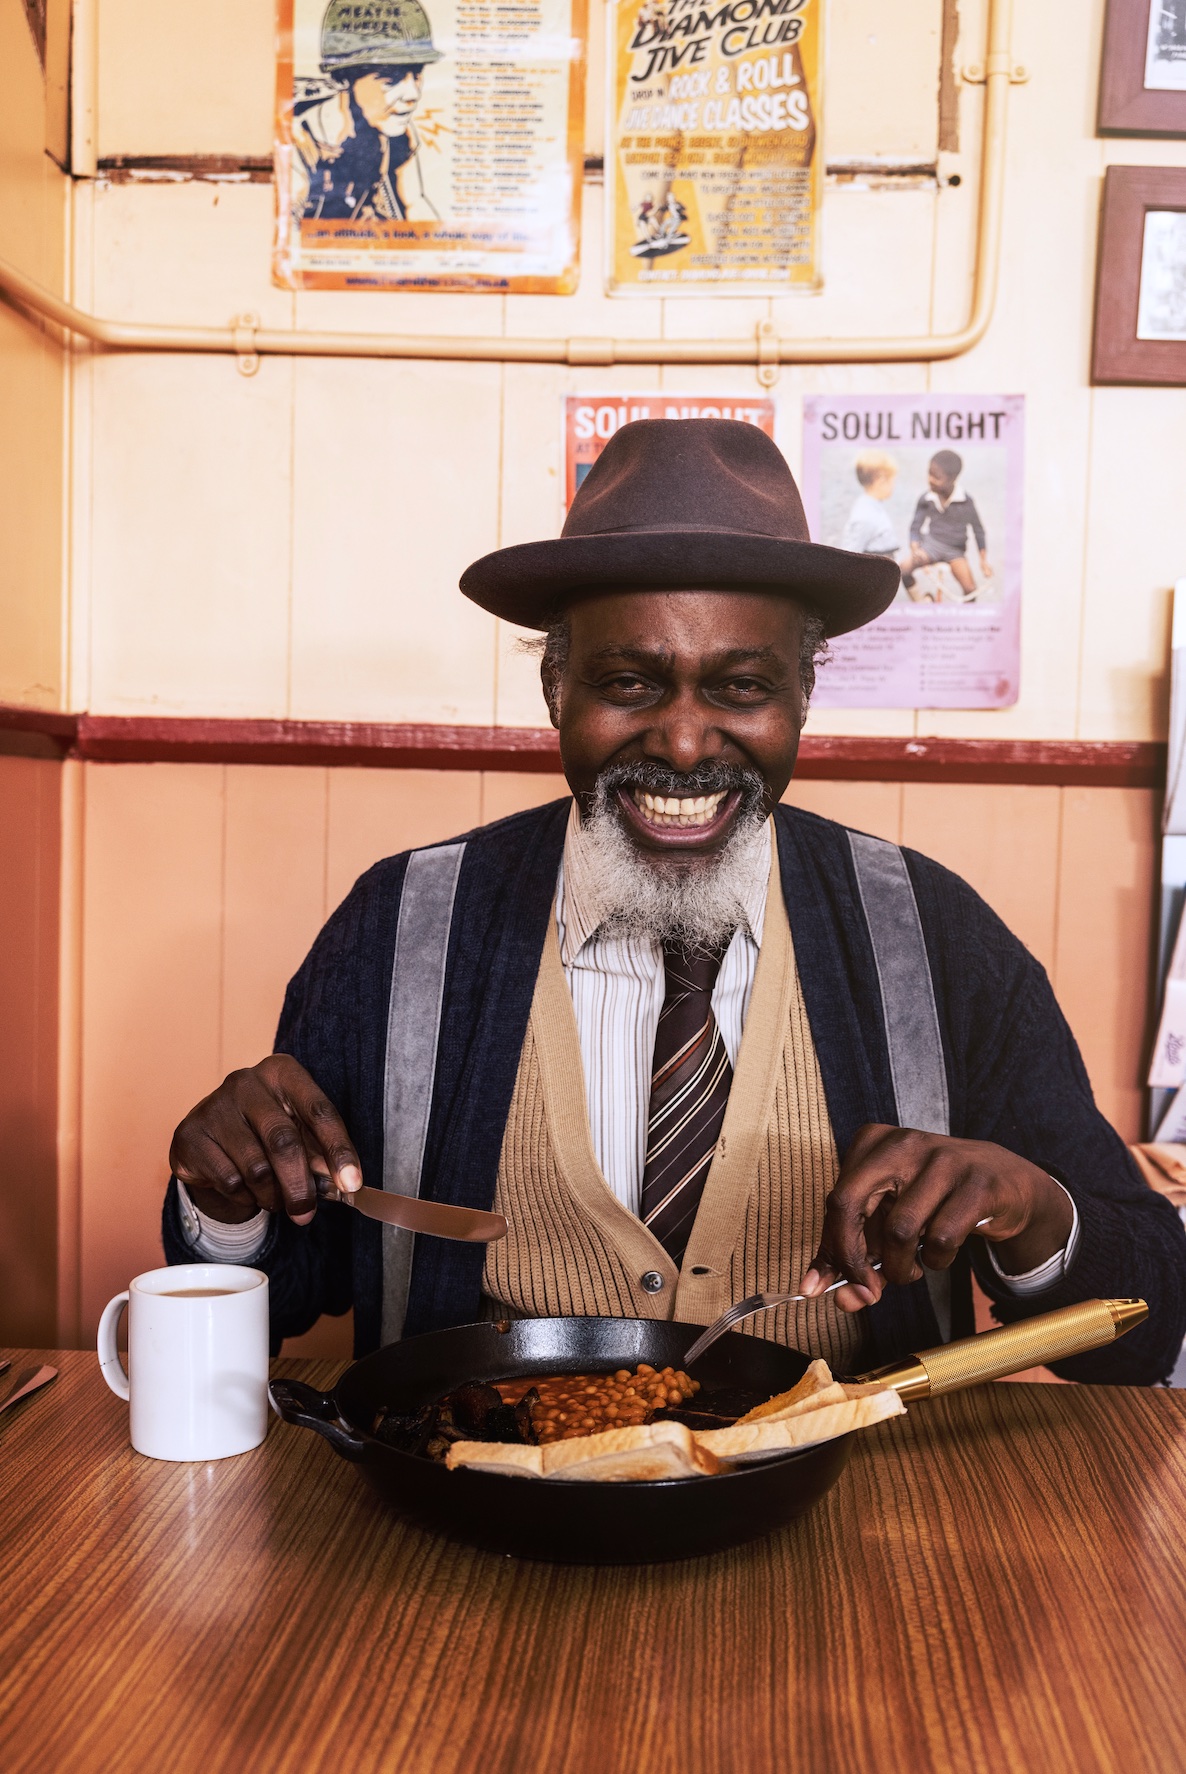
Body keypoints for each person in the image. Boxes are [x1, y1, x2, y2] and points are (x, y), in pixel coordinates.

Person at [163, 420, 1186, 1383]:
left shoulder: (934, 938)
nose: (686, 742)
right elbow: (287, 1288)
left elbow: (1151, 1320)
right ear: (554, 690)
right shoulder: (401, 928)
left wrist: (1031, 1209)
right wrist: (226, 1200)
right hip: (480, 1512)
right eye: (630, 682)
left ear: (803, 697)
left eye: (741, 688)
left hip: (853, 1532)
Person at [291, 0, 442, 224]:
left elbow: (416, 207)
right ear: (344, 79)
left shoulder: (399, 134)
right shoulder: (296, 139)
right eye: (391, 79)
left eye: (417, 74)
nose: (413, 94)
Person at [902, 449, 993, 601]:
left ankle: (964, 622)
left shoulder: (965, 501)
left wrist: (983, 561)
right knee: (903, 570)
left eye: (936, 477)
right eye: (929, 474)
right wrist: (915, 549)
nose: (930, 479)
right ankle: (920, 602)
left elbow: (978, 531)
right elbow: (915, 527)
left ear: (953, 478)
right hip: (931, 546)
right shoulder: (927, 498)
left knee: (970, 591)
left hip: (954, 551)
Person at [841, 451, 900, 556]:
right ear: (881, 481)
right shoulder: (866, 515)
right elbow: (849, 554)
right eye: (892, 481)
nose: (894, 486)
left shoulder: (875, 506)